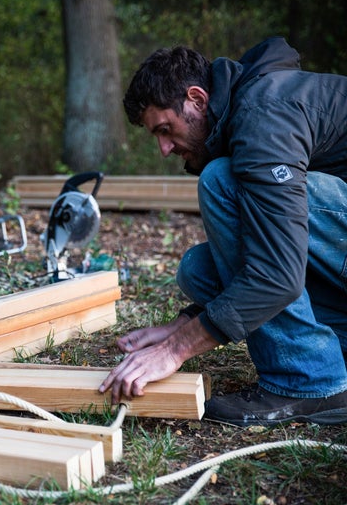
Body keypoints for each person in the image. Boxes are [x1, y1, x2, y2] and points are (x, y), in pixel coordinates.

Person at [98, 37, 347, 426]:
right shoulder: (247, 110)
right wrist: (185, 323)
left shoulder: (264, 117)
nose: (164, 148)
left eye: (165, 129)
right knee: (199, 269)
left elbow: (279, 276)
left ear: (197, 99)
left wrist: (175, 351)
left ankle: (309, 381)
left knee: (222, 181)